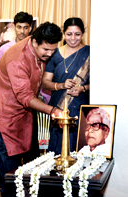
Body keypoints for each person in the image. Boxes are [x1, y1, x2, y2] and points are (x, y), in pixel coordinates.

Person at [0, 22, 63, 197]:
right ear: (35, 42)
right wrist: (53, 111)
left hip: (25, 114)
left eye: (53, 50)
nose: (50, 54)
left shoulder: (39, 47)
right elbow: (24, 96)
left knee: (29, 169)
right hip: (6, 117)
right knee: (11, 176)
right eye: (46, 50)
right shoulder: (17, 58)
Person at [42, 17, 90, 155]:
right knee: (58, 152)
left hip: (82, 109)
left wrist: (83, 88)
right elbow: (45, 82)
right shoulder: (54, 53)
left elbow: (102, 83)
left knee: (80, 152)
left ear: (83, 34)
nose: (73, 38)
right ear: (63, 34)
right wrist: (62, 85)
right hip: (59, 110)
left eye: (77, 34)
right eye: (69, 34)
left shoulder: (90, 53)